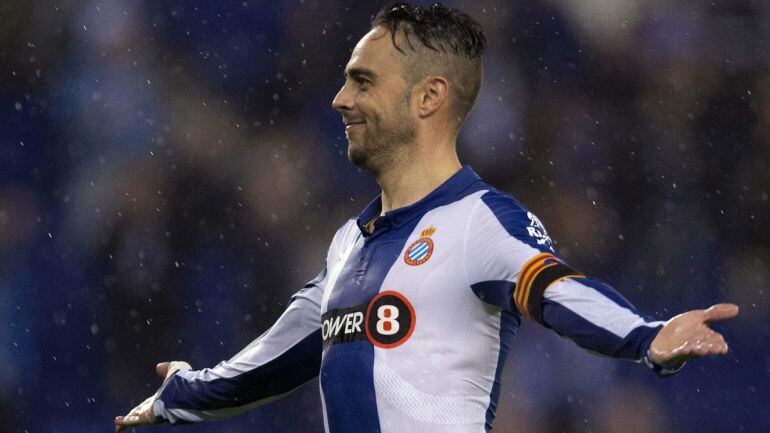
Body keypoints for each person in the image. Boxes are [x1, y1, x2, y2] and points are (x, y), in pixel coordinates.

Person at [115, 3, 739, 432]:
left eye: (362, 82)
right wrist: (183, 394)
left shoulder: (479, 221)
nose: (340, 99)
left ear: (429, 97)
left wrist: (645, 336)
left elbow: (553, 287)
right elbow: (272, 361)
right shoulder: (347, 247)